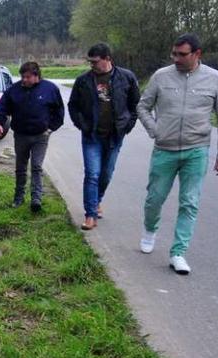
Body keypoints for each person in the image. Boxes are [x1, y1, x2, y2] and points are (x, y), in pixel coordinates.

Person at [137, 33, 218, 275]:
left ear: (197, 54)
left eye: (182, 54)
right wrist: (154, 130)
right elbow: (143, 106)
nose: (176, 58)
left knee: (189, 202)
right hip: (165, 149)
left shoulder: (214, 79)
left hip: (196, 150)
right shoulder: (161, 76)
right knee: (154, 198)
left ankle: (178, 252)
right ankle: (150, 230)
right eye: (174, 54)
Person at [68, 43, 140, 230]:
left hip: (115, 136)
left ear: (108, 59)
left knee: (106, 174)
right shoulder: (83, 81)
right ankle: (90, 215)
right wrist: (81, 124)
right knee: (92, 174)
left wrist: (127, 126)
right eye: (90, 61)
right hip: (91, 136)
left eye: (95, 61)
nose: (92, 65)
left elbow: (135, 105)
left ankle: (97, 200)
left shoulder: (127, 78)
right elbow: (73, 105)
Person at [0, 61, 65, 212]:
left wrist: (51, 128)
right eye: (22, 77)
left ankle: (36, 199)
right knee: (20, 167)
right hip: (21, 135)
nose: (24, 80)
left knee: (37, 166)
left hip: (41, 136)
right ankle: (18, 197)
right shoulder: (14, 90)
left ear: (36, 76)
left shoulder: (50, 89)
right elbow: (2, 107)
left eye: (27, 77)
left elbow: (59, 112)